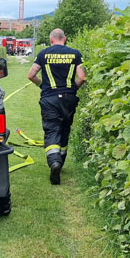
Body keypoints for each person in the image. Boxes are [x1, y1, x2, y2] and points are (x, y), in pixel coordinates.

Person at [27, 28, 86, 185]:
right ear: (64, 38)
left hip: (49, 98)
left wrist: (42, 86)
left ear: (51, 39)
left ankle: (54, 162)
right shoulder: (75, 54)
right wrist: (73, 89)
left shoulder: (43, 54)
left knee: (52, 129)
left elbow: (31, 75)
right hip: (69, 98)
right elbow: (82, 77)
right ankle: (60, 160)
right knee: (65, 129)